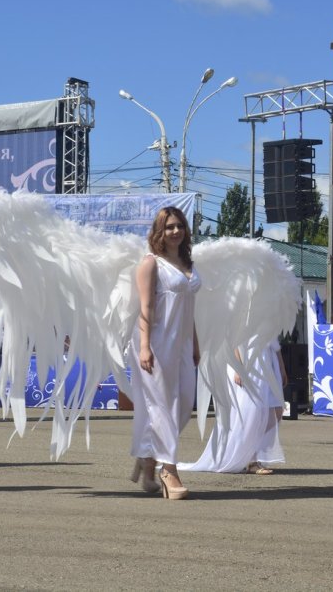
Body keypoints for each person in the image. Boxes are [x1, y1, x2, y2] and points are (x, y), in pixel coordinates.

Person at [127, 206, 201, 500]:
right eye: (169, 227)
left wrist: (194, 342)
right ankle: (169, 471)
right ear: (159, 231)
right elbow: (145, 307)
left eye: (179, 226)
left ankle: (148, 457)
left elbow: (189, 307)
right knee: (162, 407)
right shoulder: (150, 264)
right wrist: (144, 346)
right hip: (156, 341)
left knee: (184, 403)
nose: (175, 231)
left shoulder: (187, 262)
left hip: (182, 342)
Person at [179, 341, 287, 475]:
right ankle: (253, 460)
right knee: (252, 414)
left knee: (276, 412)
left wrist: (281, 366)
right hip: (248, 362)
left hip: (268, 361)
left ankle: (250, 455)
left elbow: (274, 338)